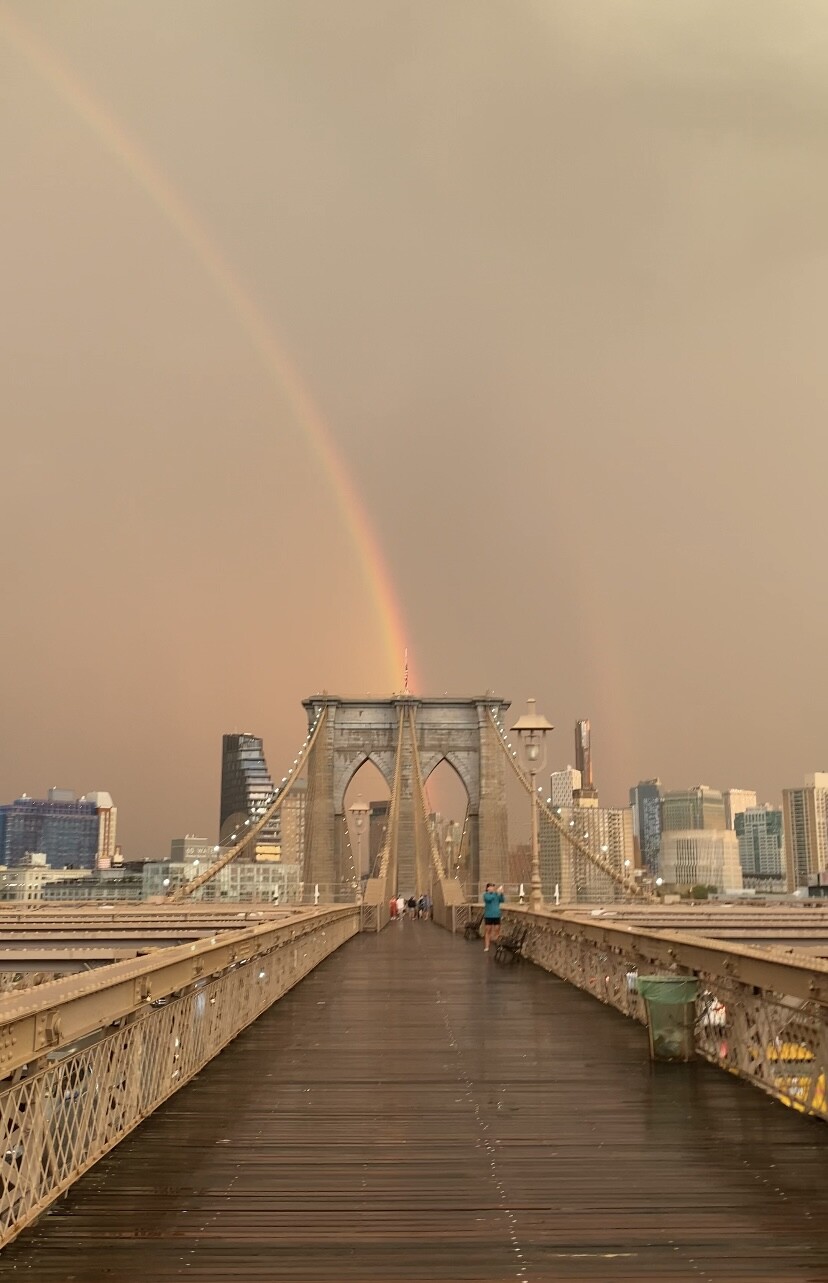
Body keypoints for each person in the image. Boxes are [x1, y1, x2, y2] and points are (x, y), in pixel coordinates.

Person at [482, 882, 505, 952]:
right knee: (487, 931)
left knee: (497, 931)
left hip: (496, 915)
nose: (492, 888)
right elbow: (489, 899)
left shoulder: (496, 895)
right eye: (491, 887)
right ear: (487, 888)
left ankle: (498, 946)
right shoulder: (486, 895)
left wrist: (501, 893)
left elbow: (502, 900)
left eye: (493, 887)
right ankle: (486, 947)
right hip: (488, 915)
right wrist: (496, 893)